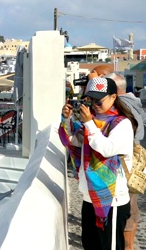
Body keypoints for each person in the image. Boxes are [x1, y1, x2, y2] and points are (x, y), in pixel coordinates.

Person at [59, 77, 138, 249]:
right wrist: (67, 120)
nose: (94, 104)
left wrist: (89, 124)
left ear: (113, 97)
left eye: (99, 100)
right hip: (90, 197)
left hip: (113, 199)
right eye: (91, 99)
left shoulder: (122, 123)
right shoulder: (93, 122)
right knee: (90, 245)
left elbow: (107, 149)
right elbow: (73, 141)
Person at [105, 73, 146, 250]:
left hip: (123, 166)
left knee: (128, 209)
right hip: (132, 164)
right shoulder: (134, 103)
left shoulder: (122, 107)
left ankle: (128, 246)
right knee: (131, 208)